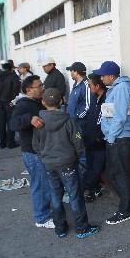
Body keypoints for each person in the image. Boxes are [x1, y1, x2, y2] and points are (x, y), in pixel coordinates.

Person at [32, 88, 100, 239]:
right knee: (75, 196)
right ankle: (82, 228)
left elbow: (36, 146)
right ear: (62, 101)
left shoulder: (39, 122)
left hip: (49, 164)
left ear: (43, 102)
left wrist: (45, 157)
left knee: (55, 196)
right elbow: (78, 141)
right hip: (68, 163)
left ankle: (60, 228)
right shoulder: (69, 120)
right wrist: (78, 159)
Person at [93, 61, 130, 225]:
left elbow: (120, 117)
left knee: (117, 174)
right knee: (118, 173)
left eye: (102, 75)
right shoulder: (116, 88)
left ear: (111, 76)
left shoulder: (121, 88)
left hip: (118, 138)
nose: (101, 78)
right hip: (115, 137)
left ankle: (124, 210)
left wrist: (111, 137)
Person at [9, 75, 54, 229]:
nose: (43, 88)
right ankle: (42, 218)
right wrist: (29, 119)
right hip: (33, 153)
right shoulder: (23, 105)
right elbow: (13, 124)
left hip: (41, 150)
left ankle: (46, 211)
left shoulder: (36, 102)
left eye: (42, 85)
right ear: (29, 90)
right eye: (39, 86)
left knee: (45, 183)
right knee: (40, 185)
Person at [81, 74, 107, 203]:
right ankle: (94, 188)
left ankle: (86, 188)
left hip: (99, 141)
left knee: (97, 168)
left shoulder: (107, 98)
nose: (89, 87)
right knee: (90, 165)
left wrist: (99, 137)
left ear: (97, 86)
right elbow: (89, 117)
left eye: (90, 85)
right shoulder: (94, 97)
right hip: (88, 139)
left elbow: (106, 121)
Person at [0, 60, 20, 149]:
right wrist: (14, 101)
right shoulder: (14, 76)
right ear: (11, 67)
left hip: (0, 103)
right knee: (10, 123)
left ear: (3, 67)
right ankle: (10, 142)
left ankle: (2, 143)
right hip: (10, 103)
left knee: (1, 123)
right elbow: (16, 90)